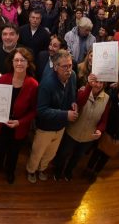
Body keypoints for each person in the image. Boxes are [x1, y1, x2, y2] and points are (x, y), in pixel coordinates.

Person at [0, 48, 38, 184]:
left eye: (23, 60)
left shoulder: (33, 84)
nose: (19, 63)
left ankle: (10, 171)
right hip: (1, 123)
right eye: (16, 60)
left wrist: (19, 122)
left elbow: (34, 110)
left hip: (18, 126)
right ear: (12, 62)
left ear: (28, 63)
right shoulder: (4, 78)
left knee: (14, 152)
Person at [26, 49, 77, 183]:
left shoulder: (73, 76)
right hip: (45, 128)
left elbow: (72, 94)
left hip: (60, 126)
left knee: (50, 153)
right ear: (55, 67)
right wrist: (66, 114)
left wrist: (73, 103)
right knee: (38, 152)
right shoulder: (47, 84)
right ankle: (31, 170)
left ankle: (42, 169)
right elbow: (41, 110)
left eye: (70, 65)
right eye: (64, 66)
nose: (68, 70)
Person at [53, 74, 109, 181]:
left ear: (104, 84)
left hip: (88, 136)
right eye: (96, 81)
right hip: (73, 131)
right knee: (64, 153)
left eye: (101, 82)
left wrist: (99, 130)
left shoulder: (106, 99)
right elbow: (80, 102)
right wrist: (89, 86)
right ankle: (58, 170)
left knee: (77, 156)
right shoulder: (83, 90)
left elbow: (104, 120)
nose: (98, 85)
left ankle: (68, 171)